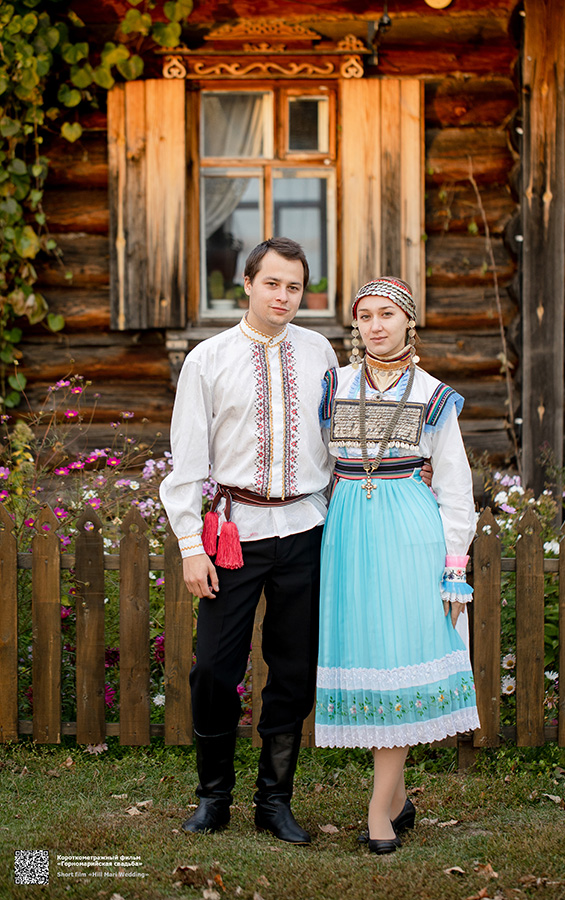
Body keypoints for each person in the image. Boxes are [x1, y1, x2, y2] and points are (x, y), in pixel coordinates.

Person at [159, 237, 339, 845]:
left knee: (293, 669)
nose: (283, 296)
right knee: (214, 668)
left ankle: (274, 802)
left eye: (294, 286)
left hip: (306, 529)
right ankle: (214, 798)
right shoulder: (207, 360)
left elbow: (334, 440)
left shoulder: (319, 352)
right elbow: (187, 461)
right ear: (248, 283)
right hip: (236, 534)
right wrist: (191, 546)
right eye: (273, 283)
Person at [314, 276, 480, 855]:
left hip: (409, 528)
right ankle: (400, 797)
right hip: (348, 528)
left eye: (387, 314)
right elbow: (317, 463)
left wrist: (454, 568)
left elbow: (455, 486)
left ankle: (377, 811)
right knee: (370, 657)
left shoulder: (433, 394)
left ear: (409, 320)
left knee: (400, 656)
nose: (375, 325)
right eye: (365, 315)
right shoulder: (335, 384)